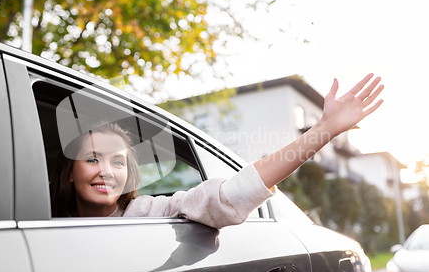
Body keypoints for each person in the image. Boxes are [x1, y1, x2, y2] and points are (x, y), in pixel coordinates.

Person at [50, 74, 384, 229]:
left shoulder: (147, 213)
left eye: (118, 161)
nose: (106, 170)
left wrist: (323, 130)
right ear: (69, 171)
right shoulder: (45, 221)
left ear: (128, 175)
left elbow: (230, 194)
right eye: (92, 158)